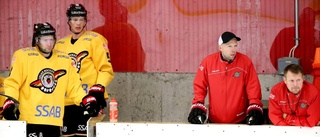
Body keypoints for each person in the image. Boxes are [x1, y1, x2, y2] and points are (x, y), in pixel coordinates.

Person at [2, 22, 104, 136]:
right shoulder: (23, 56)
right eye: (45, 40)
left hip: (53, 120)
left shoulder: (64, 59)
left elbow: (74, 87)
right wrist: (10, 101)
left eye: (51, 39)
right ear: (37, 40)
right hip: (28, 119)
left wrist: (87, 101)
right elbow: (13, 82)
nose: (49, 44)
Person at [55, 3, 114, 136]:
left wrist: (99, 88)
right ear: (68, 21)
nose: (78, 23)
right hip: (68, 101)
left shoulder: (96, 40)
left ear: (86, 21)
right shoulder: (60, 45)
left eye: (81, 19)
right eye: (75, 19)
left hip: (90, 100)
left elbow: (105, 69)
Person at [188, 31, 264, 125]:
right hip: (215, 121)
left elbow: (253, 86)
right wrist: (198, 104)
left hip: (240, 121)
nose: (233, 49)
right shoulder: (208, 62)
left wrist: (254, 105)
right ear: (220, 47)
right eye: (229, 46)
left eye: (235, 46)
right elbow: (199, 85)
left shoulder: (245, 62)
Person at [92, 0, 146, 72]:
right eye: (115, 4)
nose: (117, 6)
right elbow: (138, 61)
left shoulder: (95, 34)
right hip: (126, 77)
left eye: (117, 4)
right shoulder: (128, 29)